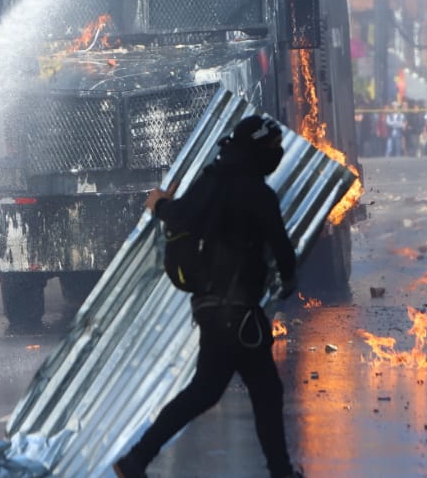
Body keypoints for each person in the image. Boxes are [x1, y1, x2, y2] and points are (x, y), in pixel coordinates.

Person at [115, 115, 301, 478]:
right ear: (258, 151)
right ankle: (135, 459)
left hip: (210, 310)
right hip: (239, 316)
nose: (277, 155)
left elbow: (180, 215)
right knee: (250, 392)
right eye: (273, 149)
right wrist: (287, 280)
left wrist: (157, 204)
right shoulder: (259, 194)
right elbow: (283, 252)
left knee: (226, 392)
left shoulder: (212, 182)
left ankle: (136, 460)